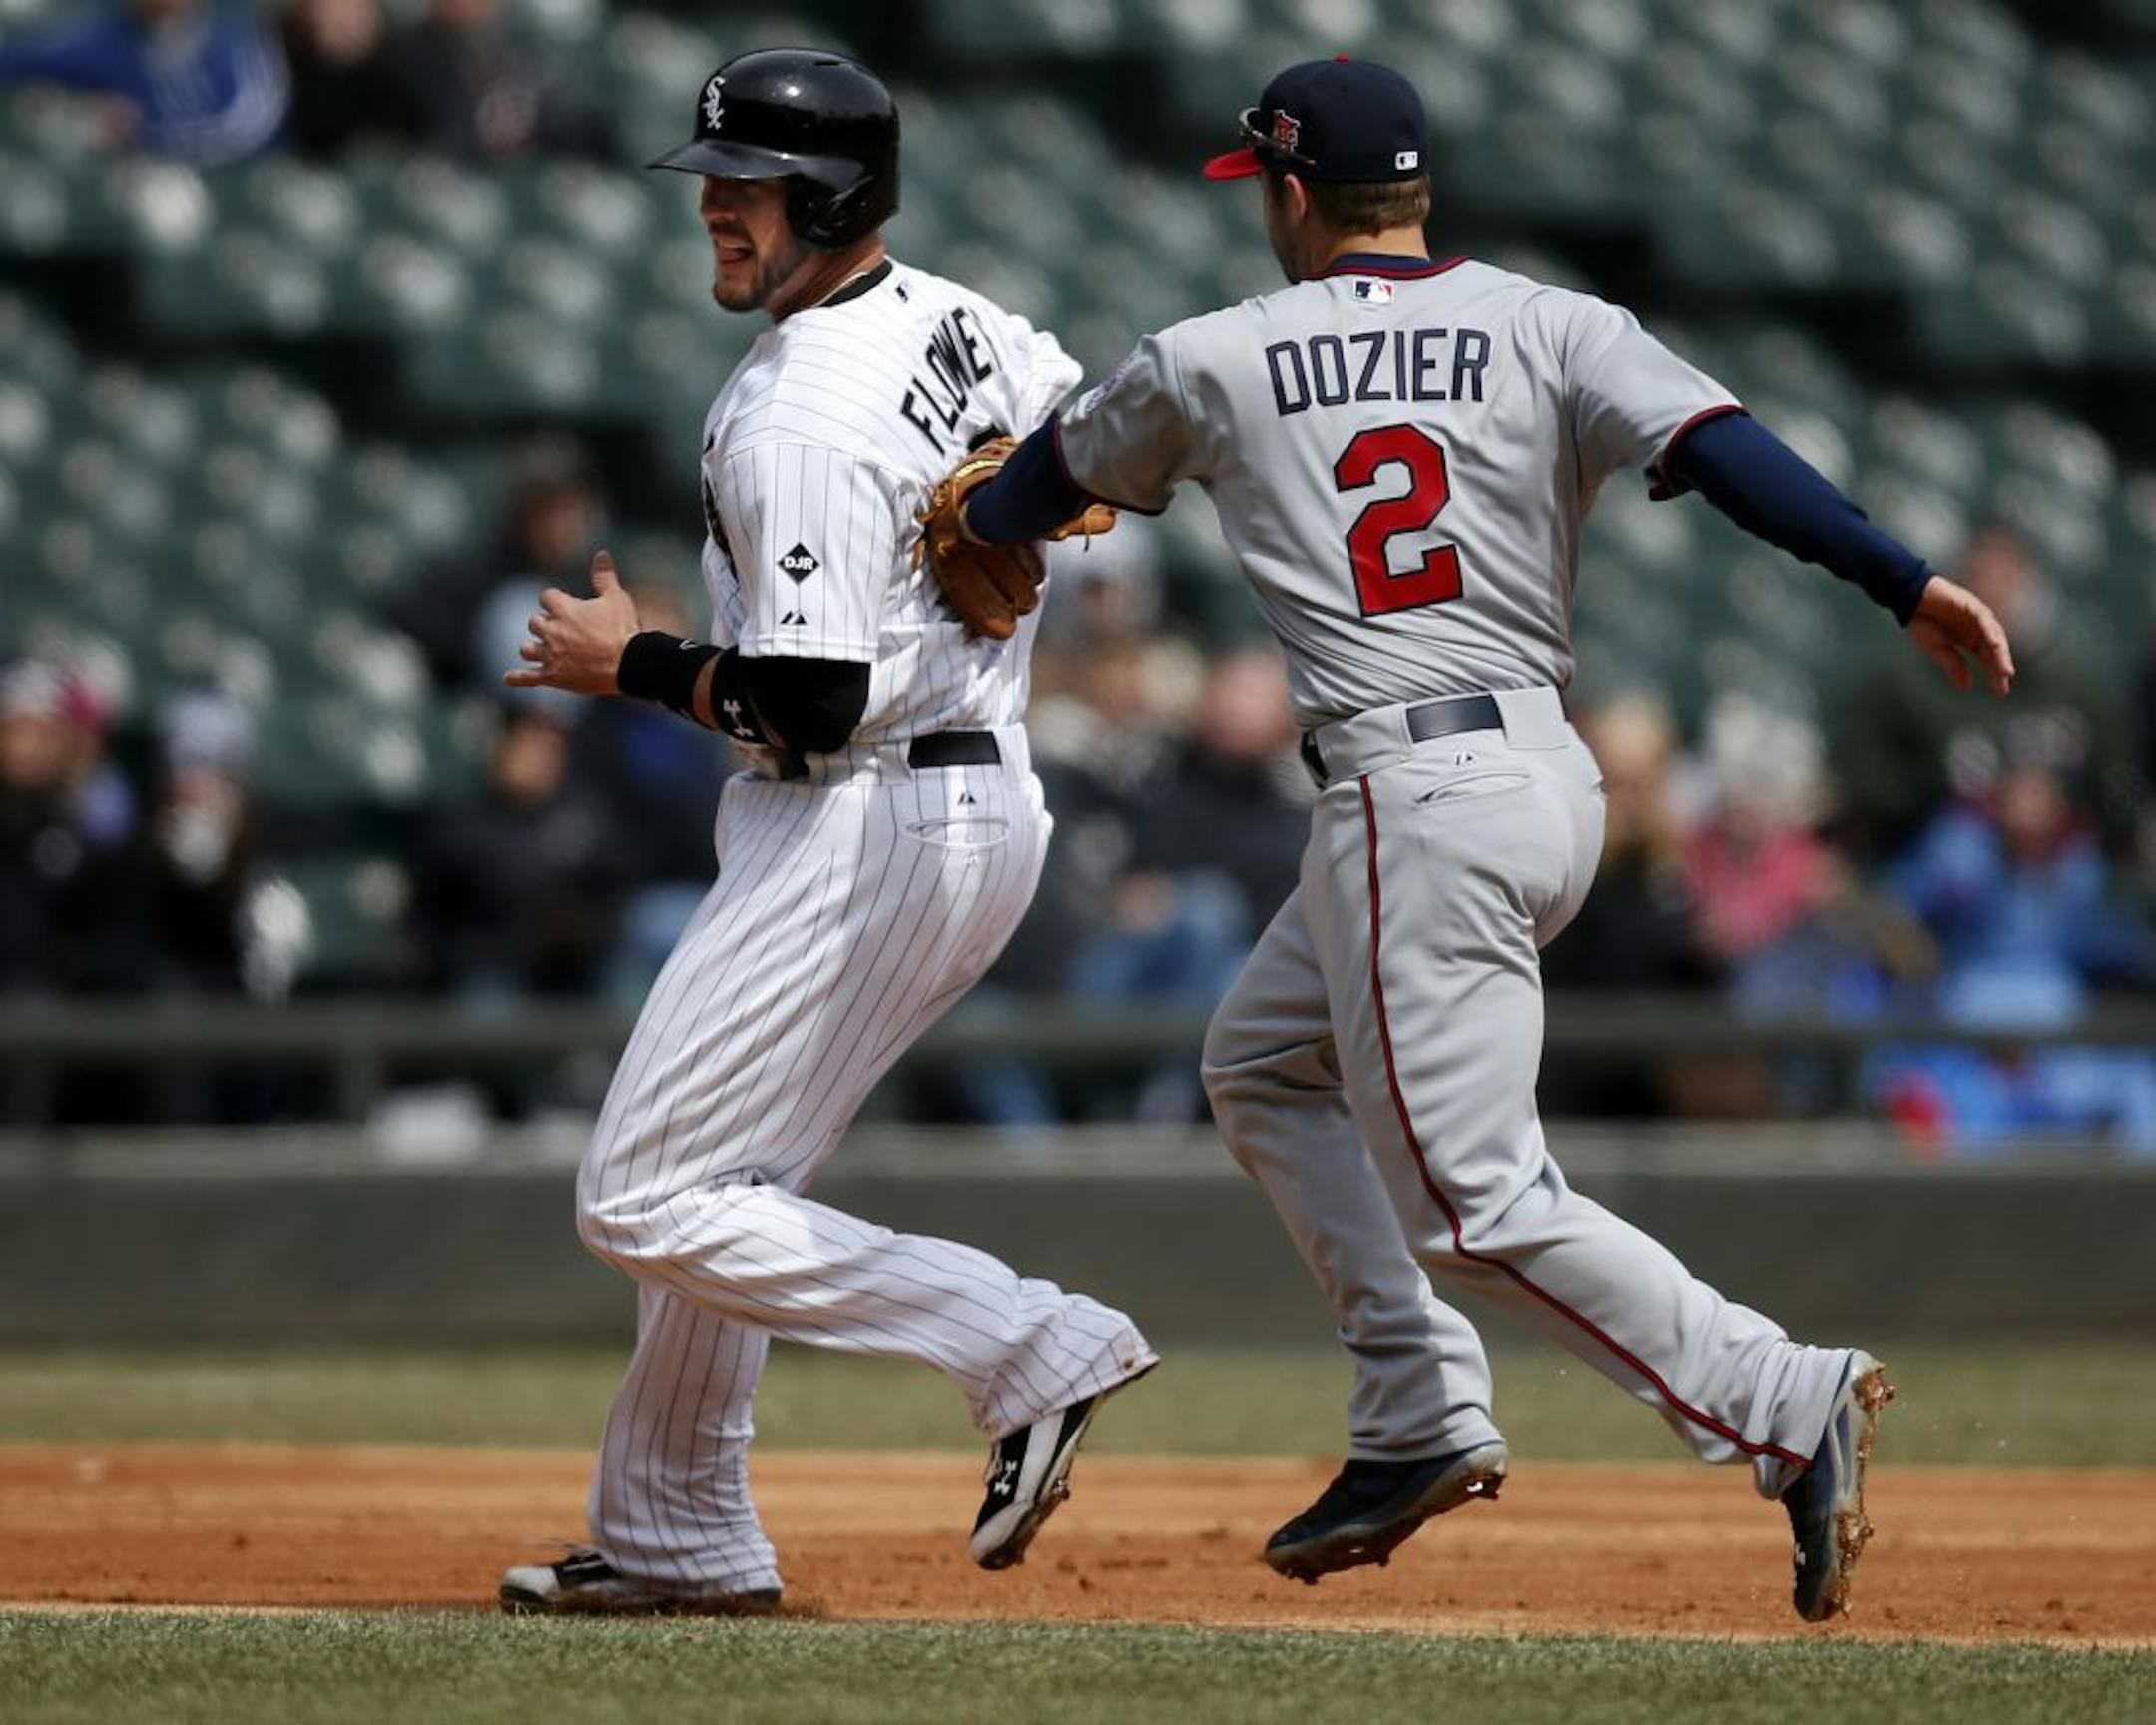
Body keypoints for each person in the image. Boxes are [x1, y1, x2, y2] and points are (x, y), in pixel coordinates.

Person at [940, 57, 2014, 1621]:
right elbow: (1727, 450)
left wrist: (971, 525)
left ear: (1294, 197)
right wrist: (1902, 580)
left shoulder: (1213, 356)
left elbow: (1027, 492)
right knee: (1261, 1063)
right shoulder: (1550, 318)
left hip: (1409, 801)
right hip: (1546, 780)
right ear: (1419, 190)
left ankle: (1781, 1400)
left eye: (1268, 196)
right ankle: (1415, 1414)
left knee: (1476, 1202)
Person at [490, 50, 1156, 1615]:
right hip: (968, 797)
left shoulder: (800, 408)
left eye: (753, 187)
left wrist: (626, 662)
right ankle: (675, 1531)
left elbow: (807, 698)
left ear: (838, 197)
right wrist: (999, 527)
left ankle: (1029, 1345)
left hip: (863, 812)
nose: (717, 207)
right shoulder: (959, 316)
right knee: (729, 1175)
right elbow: (1103, 446)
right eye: (713, 179)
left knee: (642, 1197)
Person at [0, 0, 286, 165]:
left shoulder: (232, 33)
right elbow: (29, 60)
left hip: (241, 178)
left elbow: (247, 123)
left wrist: (142, 131)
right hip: (131, 181)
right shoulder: (107, 34)